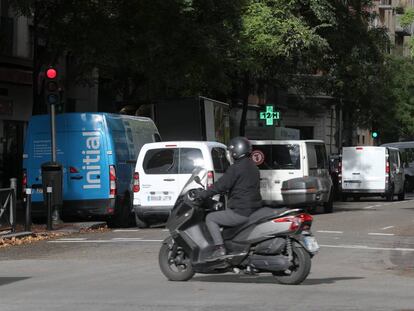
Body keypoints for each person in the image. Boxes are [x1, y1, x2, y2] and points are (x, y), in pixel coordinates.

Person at [196, 136, 262, 260]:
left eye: (231, 152)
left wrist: (203, 194)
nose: (230, 155)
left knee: (211, 218)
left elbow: (221, 185)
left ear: (236, 152)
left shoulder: (236, 168)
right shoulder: (253, 167)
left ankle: (220, 249)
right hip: (254, 209)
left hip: (241, 211)